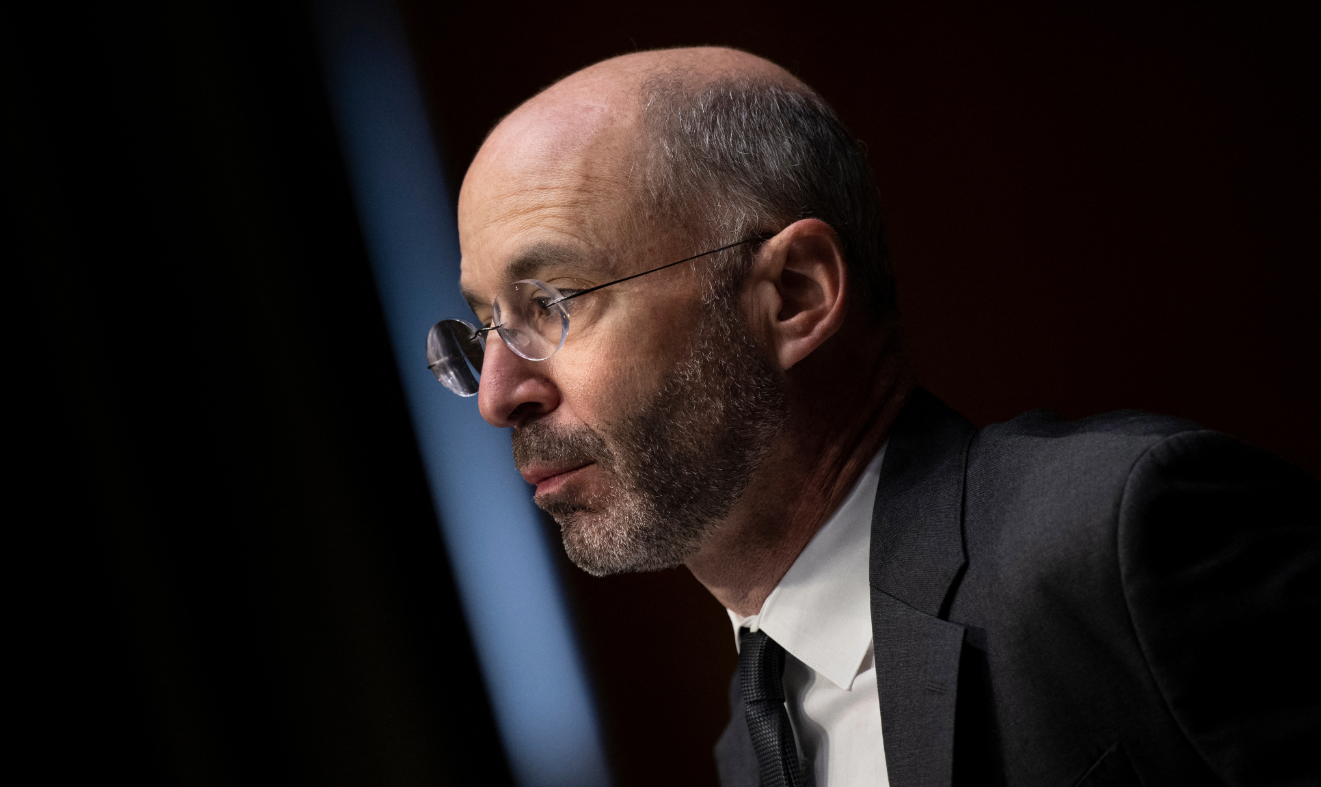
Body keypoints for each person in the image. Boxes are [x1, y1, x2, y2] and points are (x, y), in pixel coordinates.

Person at [425, 47, 1319, 786]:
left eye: (553, 301)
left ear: (794, 294)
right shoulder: (747, 745)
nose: (499, 394)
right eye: (484, 326)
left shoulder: (1123, 537)